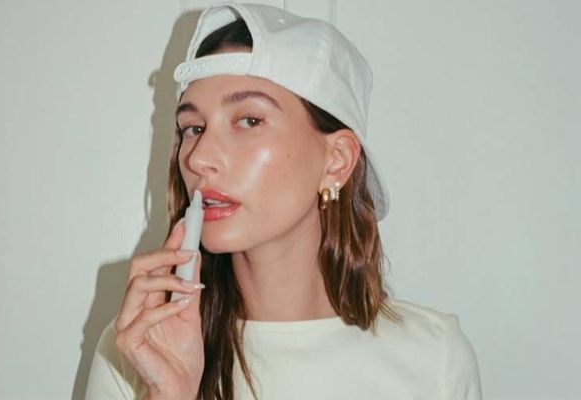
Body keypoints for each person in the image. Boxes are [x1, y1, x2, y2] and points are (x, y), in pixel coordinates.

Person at [84, 3, 483, 400]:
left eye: (249, 120)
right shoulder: (137, 348)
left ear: (336, 160)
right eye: (193, 128)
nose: (199, 157)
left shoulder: (434, 361)